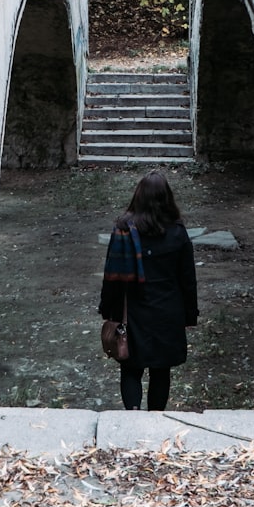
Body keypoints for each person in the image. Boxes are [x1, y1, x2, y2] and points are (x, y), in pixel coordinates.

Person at [99, 170, 198, 411]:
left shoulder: (123, 229)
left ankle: (133, 415)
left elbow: (112, 277)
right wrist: (189, 315)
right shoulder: (177, 232)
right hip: (168, 311)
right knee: (161, 371)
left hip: (133, 312)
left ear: (138, 196)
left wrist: (108, 311)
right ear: (167, 198)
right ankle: (155, 418)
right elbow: (188, 279)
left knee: (130, 368)